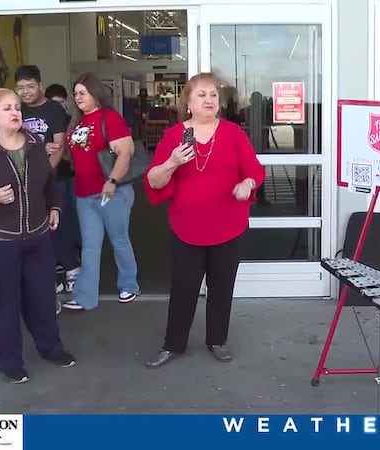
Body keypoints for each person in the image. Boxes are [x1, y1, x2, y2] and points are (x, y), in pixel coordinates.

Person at [0, 88, 76, 384]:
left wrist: (55, 207)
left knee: (42, 300)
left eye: (17, 107)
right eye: (6, 108)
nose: (14, 112)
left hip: (37, 238)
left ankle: (51, 348)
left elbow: (48, 183)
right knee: (2, 307)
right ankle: (8, 361)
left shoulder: (35, 146)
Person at [143, 73, 265, 367]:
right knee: (183, 288)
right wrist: (172, 162)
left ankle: (217, 340)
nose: (209, 99)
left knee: (222, 288)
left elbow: (255, 170)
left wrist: (248, 183)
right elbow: (154, 181)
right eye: (202, 95)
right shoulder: (175, 136)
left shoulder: (234, 133)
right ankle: (173, 345)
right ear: (188, 103)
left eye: (213, 95)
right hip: (188, 227)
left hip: (228, 225)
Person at [63, 72, 140, 310]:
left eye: (82, 93)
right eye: (75, 94)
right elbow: (77, 154)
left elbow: (125, 152)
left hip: (111, 192)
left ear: (96, 93)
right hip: (85, 193)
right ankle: (85, 296)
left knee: (119, 239)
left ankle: (129, 284)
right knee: (90, 246)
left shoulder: (110, 118)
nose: (78, 98)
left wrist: (113, 180)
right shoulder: (77, 122)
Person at [14, 65, 80, 294]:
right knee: (35, 231)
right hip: (25, 181)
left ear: (40, 85)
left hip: (54, 179)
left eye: (30, 86)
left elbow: (59, 148)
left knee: (58, 225)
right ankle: (50, 275)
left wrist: (42, 177)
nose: (26, 92)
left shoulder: (53, 110)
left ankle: (72, 268)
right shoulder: (16, 110)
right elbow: (12, 145)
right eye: (21, 88)